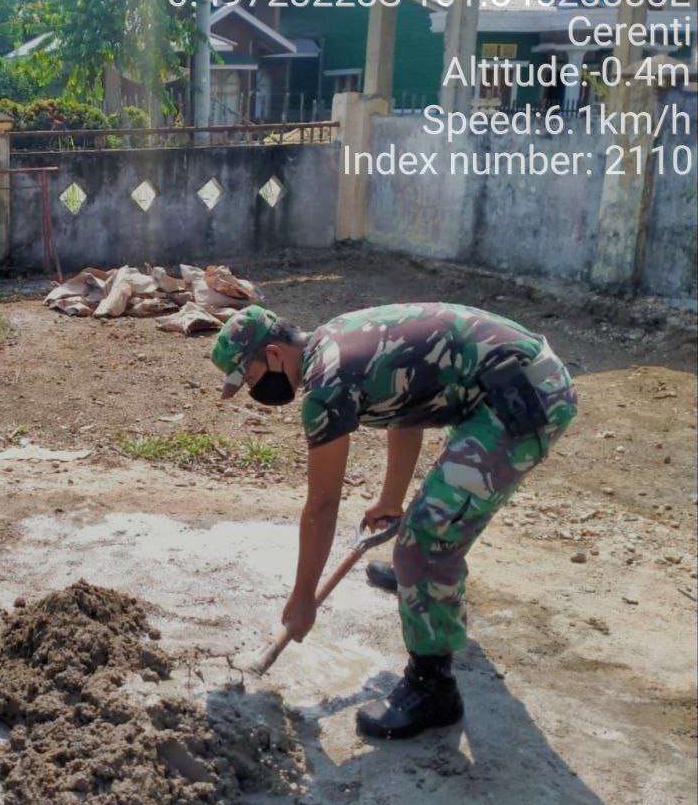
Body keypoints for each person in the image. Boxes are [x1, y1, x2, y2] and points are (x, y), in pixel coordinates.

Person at [212, 302, 577, 739]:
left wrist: (304, 596)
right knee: (428, 527)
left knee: (424, 541)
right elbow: (407, 409)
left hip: (523, 397)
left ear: (273, 355)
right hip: (507, 380)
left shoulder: (327, 383)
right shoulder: (335, 339)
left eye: (249, 377)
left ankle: (433, 687)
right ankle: (420, 579)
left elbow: (323, 504)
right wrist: (391, 499)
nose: (255, 389)